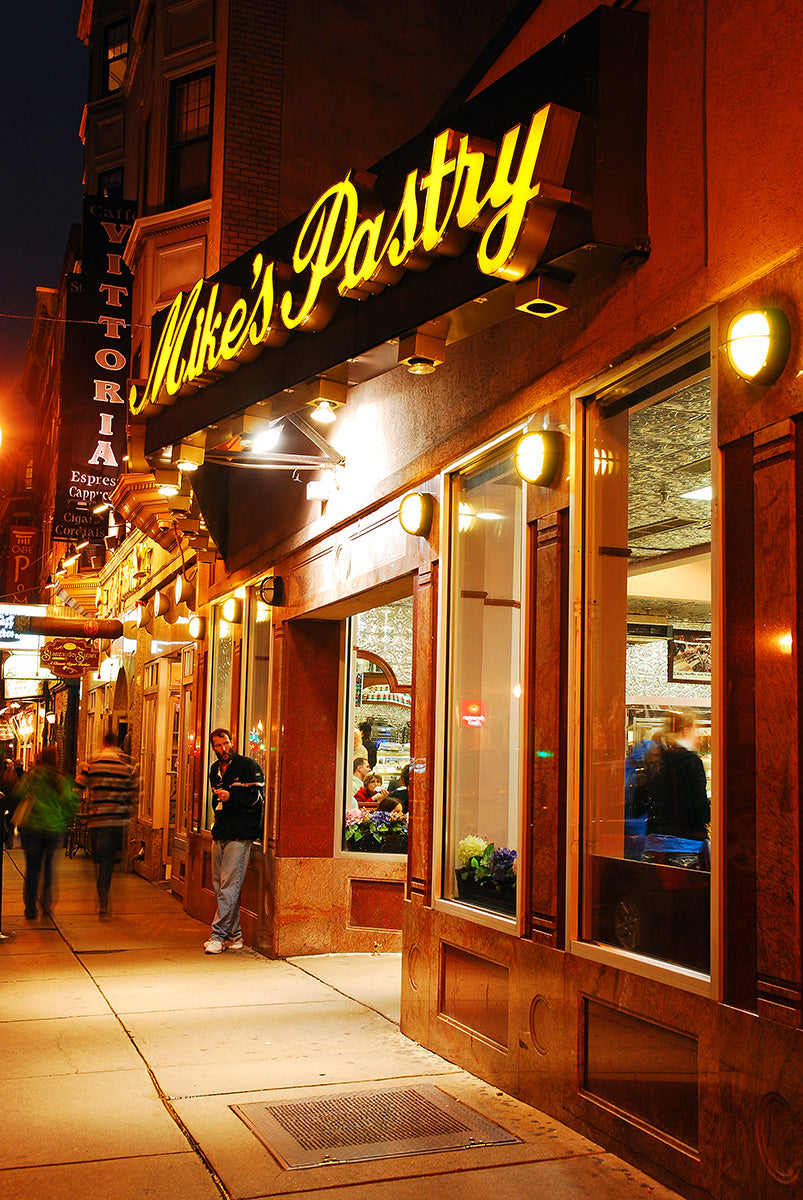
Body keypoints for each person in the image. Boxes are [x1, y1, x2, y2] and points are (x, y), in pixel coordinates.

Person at [205, 727, 265, 954]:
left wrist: (232, 797)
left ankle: (218, 936)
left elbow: (257, 799)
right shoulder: (214, 770)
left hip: (241, 834)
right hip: (220, 831)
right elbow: (215, 799)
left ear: (232, 742)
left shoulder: (248, 766)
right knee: (219, 886)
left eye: (226, 744)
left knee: (229, 886)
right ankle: (235, 935)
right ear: (213, 748)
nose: (223, 749)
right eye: (218, 746)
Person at [632, 711, 710, 869]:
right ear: (685, 730)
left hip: (652, 846)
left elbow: (637, 808)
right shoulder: (691, 762)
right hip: (685, 847)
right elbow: (700, 808)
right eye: (694, 730)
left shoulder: (655, 761)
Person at [76, 730, 137, 918]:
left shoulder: (92, 764)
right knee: (108, 861)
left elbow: (77, 788)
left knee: (98, 859)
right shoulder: (126, 767)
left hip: (97, 820)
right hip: (116, 821)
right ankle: (104, 897)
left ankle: (102, 896)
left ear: (103, 743)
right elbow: (133, 795)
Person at [17, 747, 78, 920]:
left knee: (32, 868)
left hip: (33, 828)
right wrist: (64, 821)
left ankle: (30, 908)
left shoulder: (34, 775)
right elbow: (71, 802)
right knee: (49, 868)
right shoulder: (60, 778)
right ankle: (46, 904)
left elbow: (19, 792)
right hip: (53, 828)